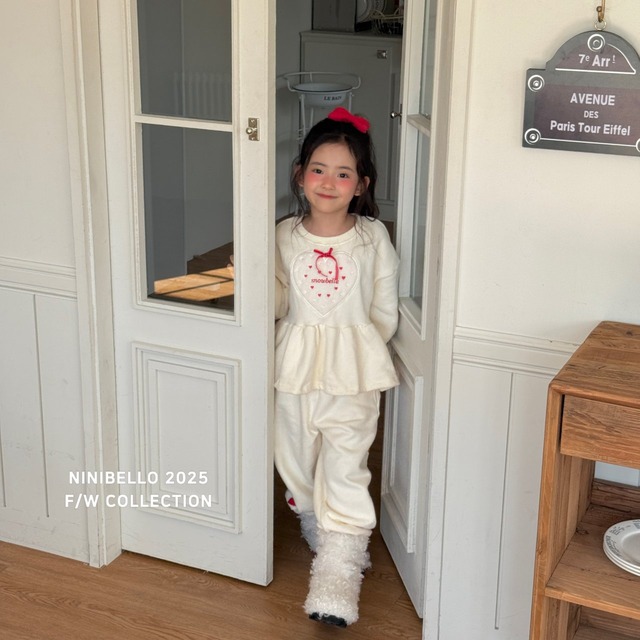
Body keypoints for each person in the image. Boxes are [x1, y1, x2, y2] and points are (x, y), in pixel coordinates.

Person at [274, 107, 400, 627]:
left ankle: (337, 578)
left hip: (353, 371)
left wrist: (358, 349)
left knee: (346, 464)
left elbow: (384, 310)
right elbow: (279, 302)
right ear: (300, 174)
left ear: (361, 184)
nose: (329, 182)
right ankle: (319, 525)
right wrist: (252, 278)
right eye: (319, 169)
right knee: (295, 458)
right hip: (294, 369)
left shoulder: (371, 238)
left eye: (343, 173)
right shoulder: (283, 235)